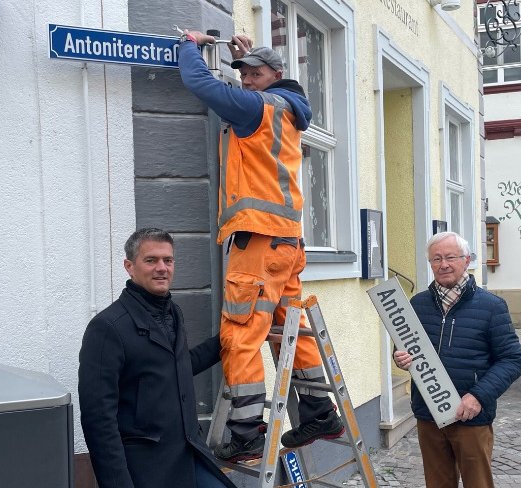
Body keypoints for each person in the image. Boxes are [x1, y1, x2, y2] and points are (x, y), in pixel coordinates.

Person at [175, 31, 342, 462]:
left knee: (241, 332)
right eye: (244, 74)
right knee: (289, 328)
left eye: (256, 73)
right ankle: (320, 411)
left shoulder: (256, 107)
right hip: (286, 243)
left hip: (258, 241)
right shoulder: (289, 106)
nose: (248, 80)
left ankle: (247, 430)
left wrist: (189, 46)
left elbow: (201, 85)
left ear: (276, 75)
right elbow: (261, 87)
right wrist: (245, 58)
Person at [78, 228, 237, 488]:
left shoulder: (173, 313)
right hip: (147, 468)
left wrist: (230, 339)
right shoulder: (107, 328)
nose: (162, 268)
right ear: (129, 266)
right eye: (151, 260)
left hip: (190, 455)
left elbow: (180, 365)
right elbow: (98, 419)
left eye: (168, 260)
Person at [392, 232, 521, 488]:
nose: (444, 264)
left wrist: (478, 396)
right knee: (437, 484)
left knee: (478, 484)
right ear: (430, 264)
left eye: (451, 257)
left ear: (466, 260)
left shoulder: (491, 306)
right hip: (428, 413)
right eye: (436, 259)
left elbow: (512, 359)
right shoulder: (417, 304)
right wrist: (400, 358)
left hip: (470, 416)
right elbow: (405, 349)